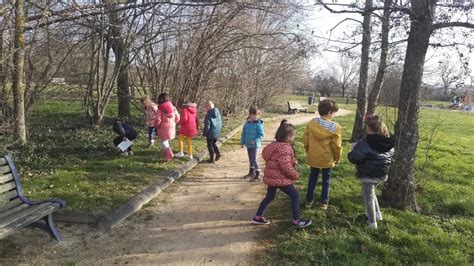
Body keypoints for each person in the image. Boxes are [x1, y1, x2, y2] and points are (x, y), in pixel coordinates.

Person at [252, 120, 312, 229]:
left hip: (272, 177)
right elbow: (285, 166)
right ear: (288, 137)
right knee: (295, 195)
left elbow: (277, 160)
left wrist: (293, 161)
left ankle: (258, 216)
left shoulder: (273, 146)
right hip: (280, 178)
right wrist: (295, 175)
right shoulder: (285, 147)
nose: (294, 138)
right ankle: (297, 220)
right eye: (294, 136)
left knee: (269, 197)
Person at [348, 115, 394, 229]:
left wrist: (353, 149)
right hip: (383, 173)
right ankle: (378, 215)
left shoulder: (366, 142)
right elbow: (390, 154)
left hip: (368, 173)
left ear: (368, 128)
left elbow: (354, 157)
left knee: (368, 197)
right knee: (372, 194)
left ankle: (372, 223)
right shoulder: (388, 140)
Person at [303, 99, 342, 210]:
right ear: (330, 112)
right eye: (334, 113)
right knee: (326, 180)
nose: (334, 115)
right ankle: (324, 202)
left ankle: (309, 201)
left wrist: (308, 151)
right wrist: (337, 158)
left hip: (313, 156)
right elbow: (337, 146)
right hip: (327, 159)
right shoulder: (336, 127)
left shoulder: (312, 123)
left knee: (312, 178)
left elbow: (305, 140)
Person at [240, 106, 264, 182]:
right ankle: (251, 173)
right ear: (250, 115)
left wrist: (256, 140)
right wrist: (242, 142)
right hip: (248, 144)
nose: (255, 117)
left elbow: (261, 135)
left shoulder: (258, 124)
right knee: (250, 159)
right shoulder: (246, 124)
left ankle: (258, 174)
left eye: (257, 115)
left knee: (254, 159)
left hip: (255, 145)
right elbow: (243, 134)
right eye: (254, 115)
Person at [155, 93, 180, 161]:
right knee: (166, 141)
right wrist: (174, 122)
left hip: (163, 128)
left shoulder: (160, 109)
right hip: (172, 126)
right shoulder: (173, 107)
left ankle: (169, 154)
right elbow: (178, 117)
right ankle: (167, 155)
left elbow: (158, 119)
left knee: (163, 142)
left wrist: (156, 126)